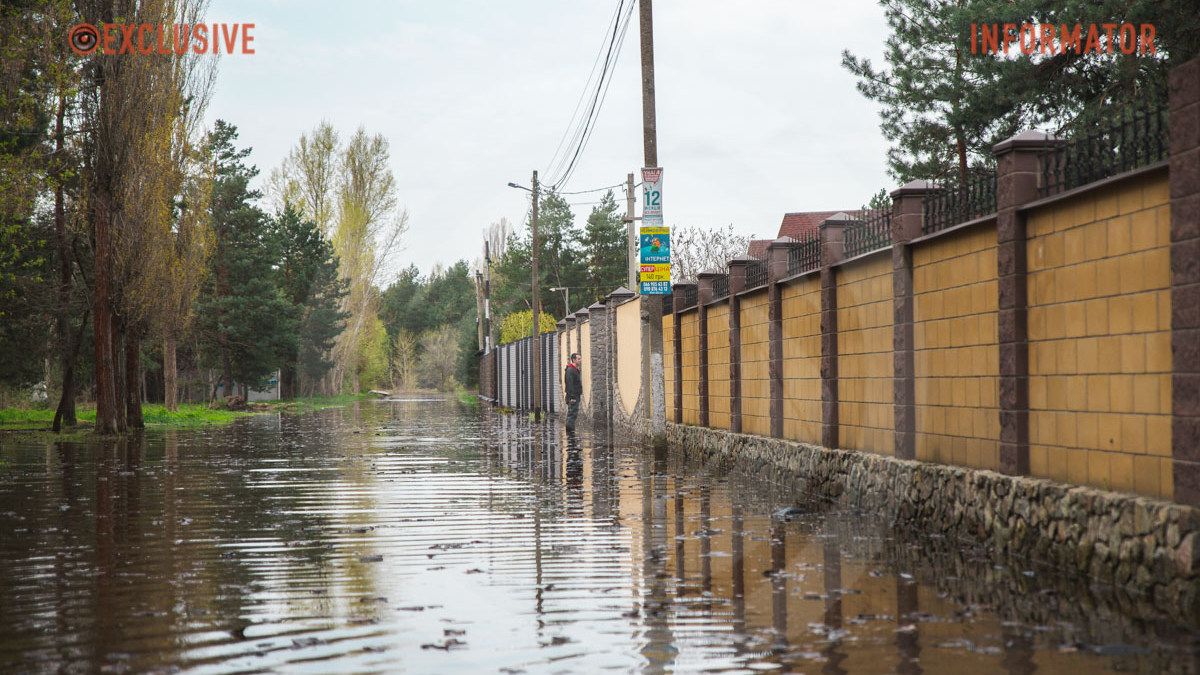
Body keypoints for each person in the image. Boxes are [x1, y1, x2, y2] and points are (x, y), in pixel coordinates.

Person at [564, 352, 582, 433]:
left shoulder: (574, 369)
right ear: (574, 360)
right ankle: (570, 435)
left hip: (575, 395)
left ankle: (570, 433)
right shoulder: (570, 370)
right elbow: (569, 384)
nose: (580, 360)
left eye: (580, 359)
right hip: (573, 396)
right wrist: (572, 397)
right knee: (572, 414)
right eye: (578, 359)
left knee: (572, 414)